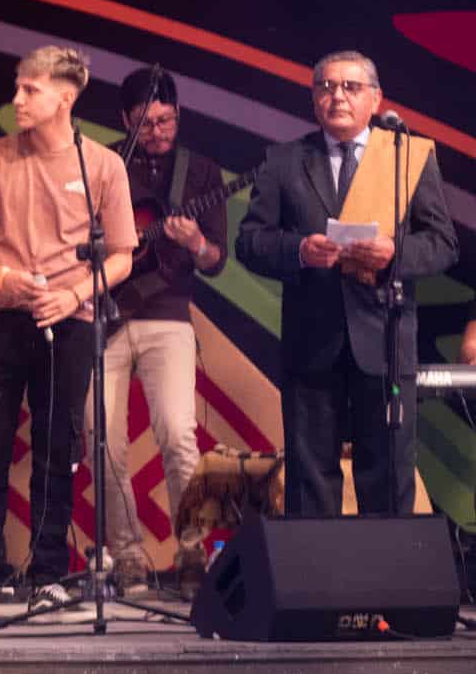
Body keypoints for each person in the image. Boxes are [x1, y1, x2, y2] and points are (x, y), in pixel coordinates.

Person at [0, 46, 136, 624]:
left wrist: (75, 293)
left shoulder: (101, 166)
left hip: (69, 318)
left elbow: (123, 256)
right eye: (18, 87)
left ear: (65, 97)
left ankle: (49, 573)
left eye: (30, 90)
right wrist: (2, 277)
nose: (18, 100)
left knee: (58, 447)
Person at [235, 52, 458, 517]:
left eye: (351, 87)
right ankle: (316, 587)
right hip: (312, 341)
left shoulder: (405, 157)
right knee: (310, 475)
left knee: (388, 472)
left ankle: (387, 587)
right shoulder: (284, 161)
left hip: (385, 340)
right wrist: (299, 250)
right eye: (326, 86)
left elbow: (442, 244)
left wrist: (395, 253)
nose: (337, 95)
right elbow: (250, 243)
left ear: (376, 99)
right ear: (313, 98)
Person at [90, 68, 229, 591]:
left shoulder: (200, 172)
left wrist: (194, 242)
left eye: (166, 121)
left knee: (177, 433)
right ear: (125, 120)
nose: (158, 132)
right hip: (103, 317)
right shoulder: (103, 165)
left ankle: (192, 553)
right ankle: (126, 557)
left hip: (168, 316)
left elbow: (215, 260)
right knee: (102, 441)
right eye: (146, 123)